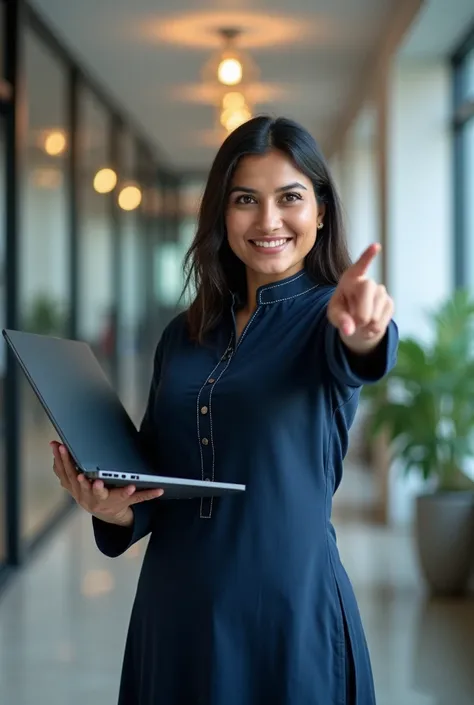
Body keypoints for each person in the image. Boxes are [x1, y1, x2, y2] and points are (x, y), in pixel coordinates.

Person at [51, 115, 398, 705]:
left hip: (286, 612)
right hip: (176, 608)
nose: (268, 221)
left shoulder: (329, 320)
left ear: (320, 211)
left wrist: (364, 331)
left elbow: (361, 352)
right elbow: (156, 477)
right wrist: (109, 506)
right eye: (245, 200)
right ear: (221, 214)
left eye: (290, 197)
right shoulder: (182, 336)